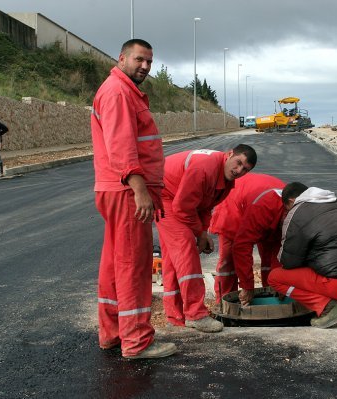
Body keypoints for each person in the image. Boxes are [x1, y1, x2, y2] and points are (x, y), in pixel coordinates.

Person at [91, 38, 176, 360]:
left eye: (149, 62)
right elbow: (122, 146)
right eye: (139, 59)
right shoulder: (118, 93)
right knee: (133, 266)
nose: (144, 66)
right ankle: (136, 341)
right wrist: (140, 190)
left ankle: (112, 333)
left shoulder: (123, 91)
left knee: (115, 264)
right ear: (122, 58)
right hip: (127, 191)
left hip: (118, 189)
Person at [156, 145, 257, 333]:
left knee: (173, 257)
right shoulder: (205, 167)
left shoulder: (226, 182)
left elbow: (203, 207)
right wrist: (200, 234)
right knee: (185, 248)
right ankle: (196, 314)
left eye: (245, 170)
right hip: (164, 196)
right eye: (238, 163)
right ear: (229, 154)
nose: (239, 171)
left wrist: (203, 232)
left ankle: (175, 316)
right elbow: (182, 208)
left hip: (175, 198)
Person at [268, 182, 337, 329]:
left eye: (286, 208)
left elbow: (289, 262)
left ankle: (328, 308)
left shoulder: (297, 213)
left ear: (290, 201)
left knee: (275, 277)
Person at [208, 172, 286, 302]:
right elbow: (242, 247)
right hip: (234, 203)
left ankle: (272, 297)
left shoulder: (293, 212)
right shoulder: (261, 210)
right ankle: (223, 301)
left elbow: (281, 254)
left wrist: (281, 284)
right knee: (229, 259)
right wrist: (247, 286)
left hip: (261, 200)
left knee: (273, 256)